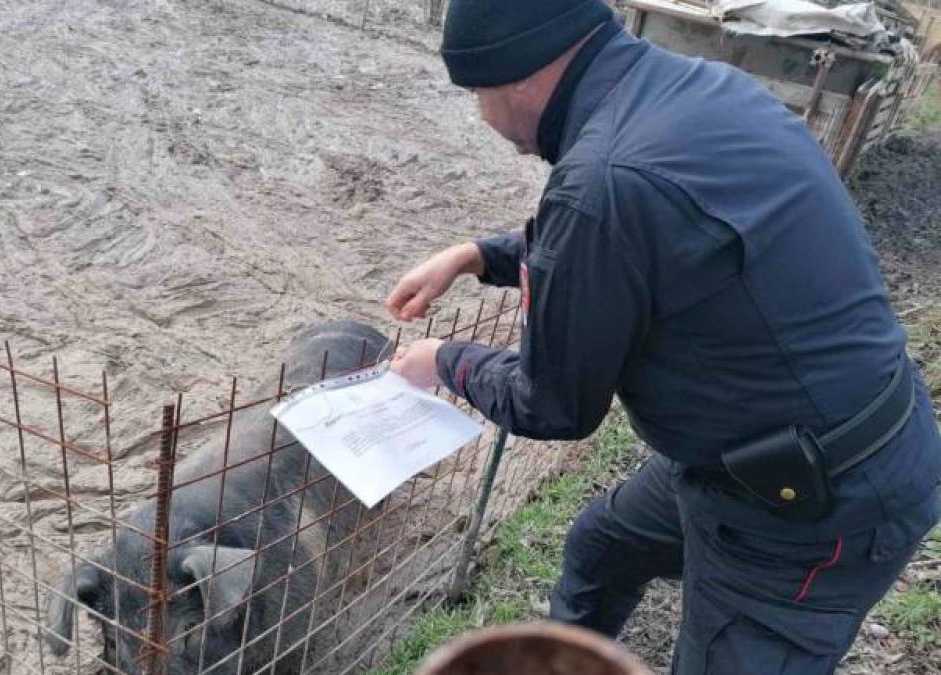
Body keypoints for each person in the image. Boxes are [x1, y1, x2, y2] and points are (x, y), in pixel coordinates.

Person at [385, 1, 941, 673]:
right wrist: (477, 254)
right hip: (781, 438)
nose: (481, 114)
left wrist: (444, 361)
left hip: (816, 506)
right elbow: (626, 236)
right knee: (604, 544)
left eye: (477, 92)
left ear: (518, 77)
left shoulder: (604, 181)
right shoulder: (697, 89)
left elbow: (552, 404)